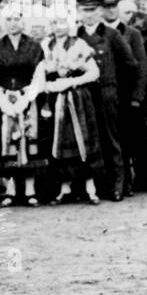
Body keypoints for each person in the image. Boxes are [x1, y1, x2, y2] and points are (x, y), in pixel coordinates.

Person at [76, 0, 140, 201]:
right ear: (79, 12)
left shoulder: (111, 35)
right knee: (92, 141)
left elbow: (131, 64)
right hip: (85, 95)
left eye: (93, 10)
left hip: (107, 93)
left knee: (112, 139)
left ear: (100, 11)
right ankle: (98, 185)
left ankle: (118, 185)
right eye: (85, 10)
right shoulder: (76, 35)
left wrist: (117, 89)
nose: (90, 15)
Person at [0, 8, 47, 207]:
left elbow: (39, 78)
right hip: (3, 101)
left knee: (28, 141)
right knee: (6, 144)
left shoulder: (34, 46)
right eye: (8, 19)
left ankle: (30, 190)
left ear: (23, 22)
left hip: (27, 101)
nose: (13, 23)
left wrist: (25, 99)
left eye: (17, 19)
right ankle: (9, 190)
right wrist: (3, 100)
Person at [40, 15, 103, 205]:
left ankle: (90, 189)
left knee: (82, 139)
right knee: (59, 141)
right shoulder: (45, 45)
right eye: (54, 23)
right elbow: (38, 72)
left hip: (77, 99)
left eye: (62, 23)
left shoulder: (79, 44)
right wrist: (49, 85)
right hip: (55, 98)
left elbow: (94, 73)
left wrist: (72, 81)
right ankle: (64, 188)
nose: (58, 27)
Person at [102, 0, 147, 197]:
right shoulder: (97, 33)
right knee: (106, 139)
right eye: (106, 7)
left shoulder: (132, 33)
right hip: (104, 94)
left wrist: (137, 96)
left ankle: (126, 183)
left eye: (113, 6)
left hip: (126, 95)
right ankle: (108, 182)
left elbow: (141, 66)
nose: (110, 10)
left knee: (126, 140)